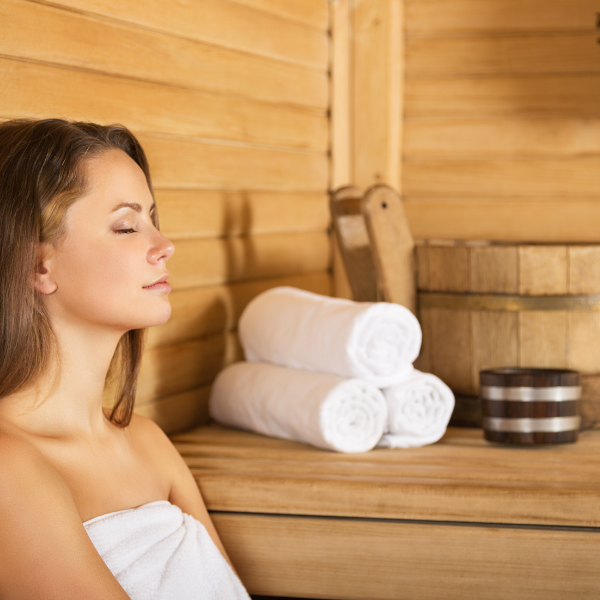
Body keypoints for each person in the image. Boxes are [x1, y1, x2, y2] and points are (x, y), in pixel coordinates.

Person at [0, 119, 250, 599]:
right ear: (38, 266)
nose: (164, 246)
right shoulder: (9, 466)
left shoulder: (147, 441)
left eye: (154, 219)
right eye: (126, 225)